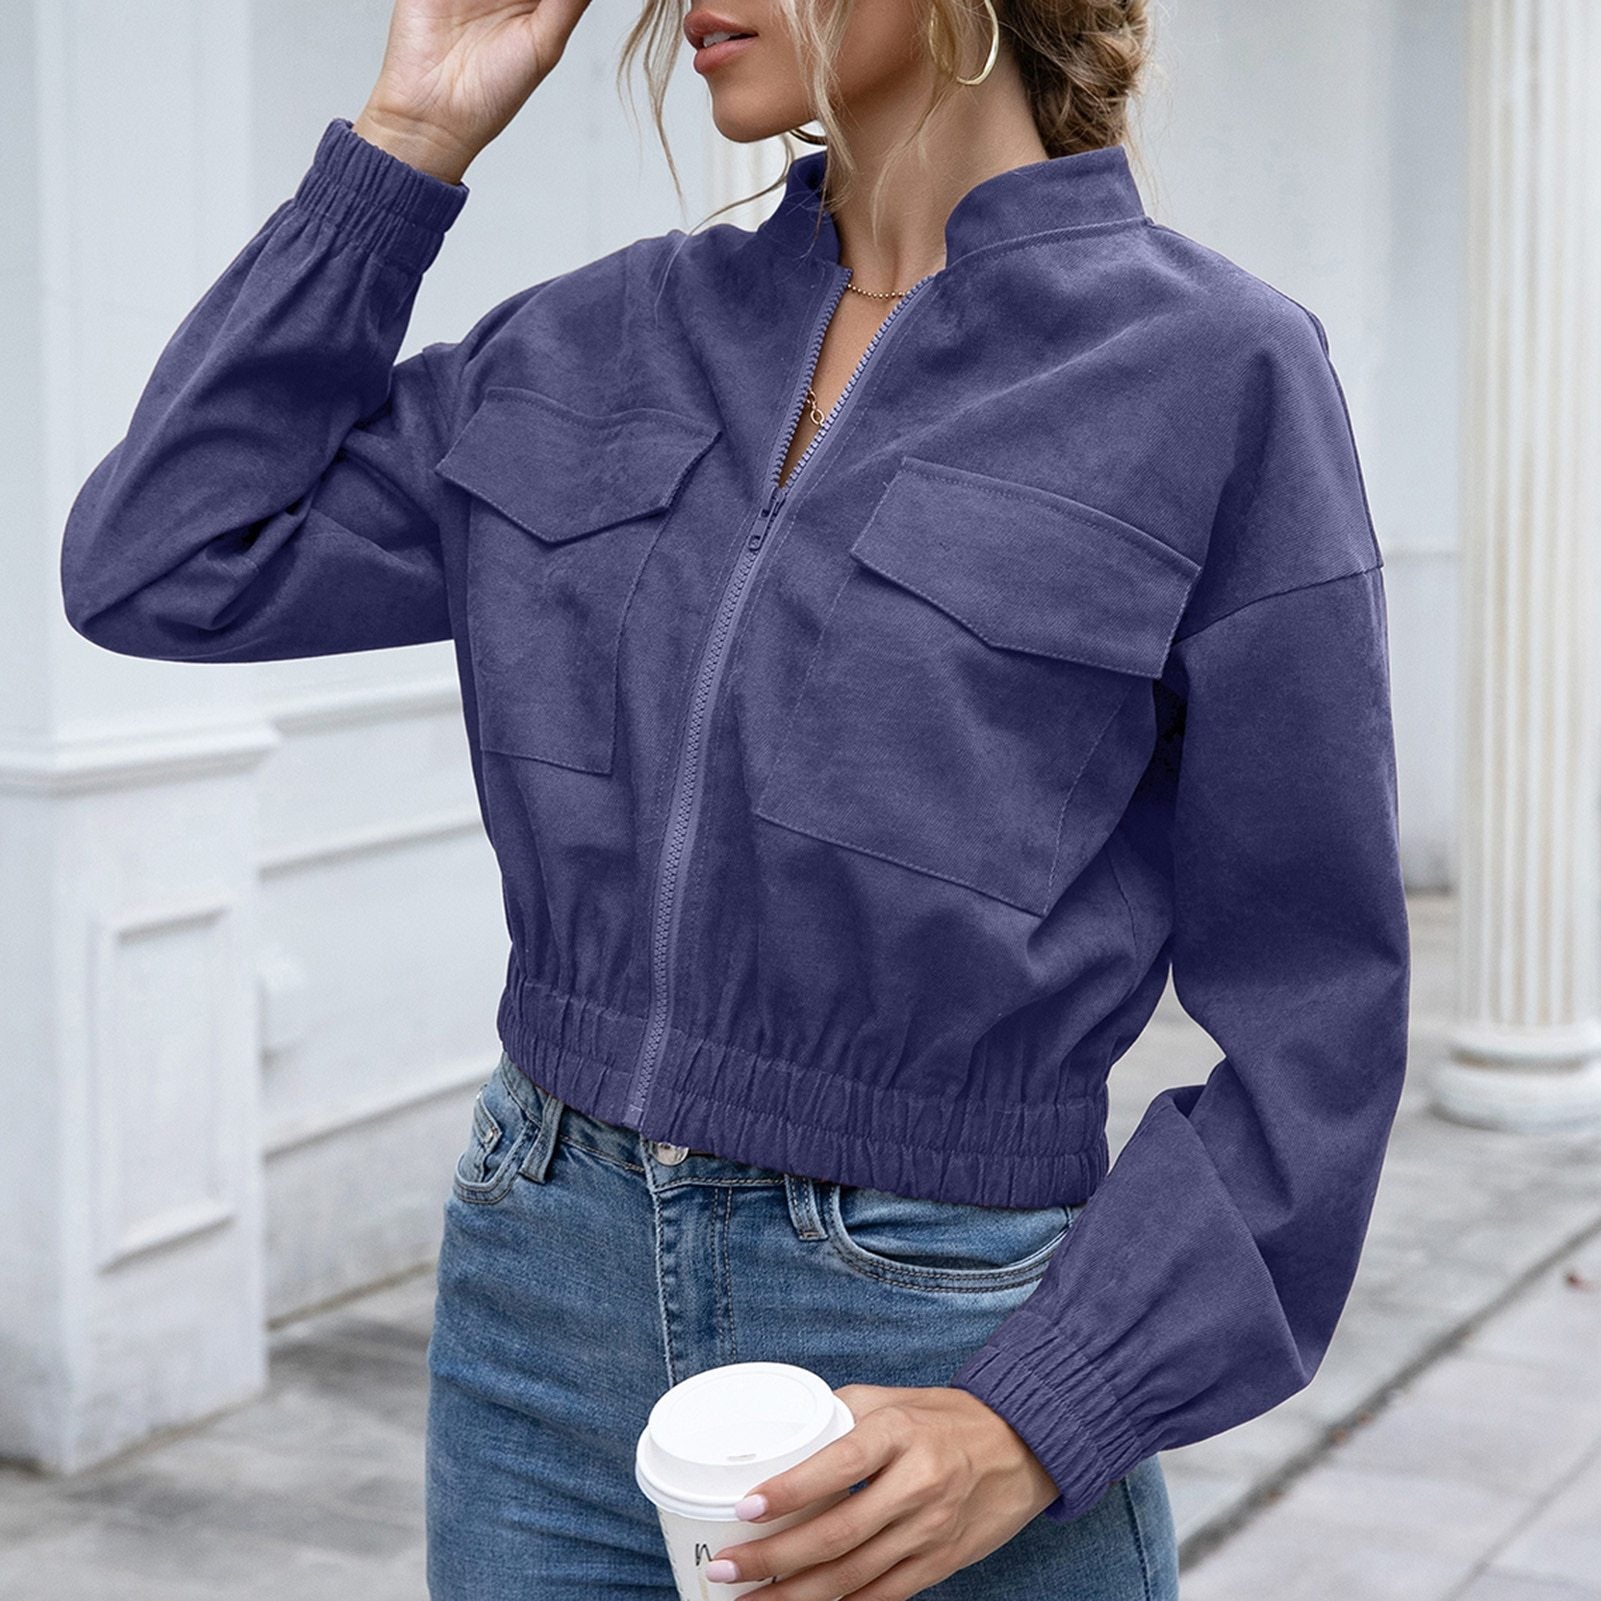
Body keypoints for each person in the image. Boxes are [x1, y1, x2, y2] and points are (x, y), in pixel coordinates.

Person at [57, 0, 1412, 1596]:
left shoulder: (1210, 372)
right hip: (540, 1302)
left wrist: (1042, 1415)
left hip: (935, 1333)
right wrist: (407, 142)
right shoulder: (594, 339)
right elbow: (166, 558)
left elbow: (1318, 1004)